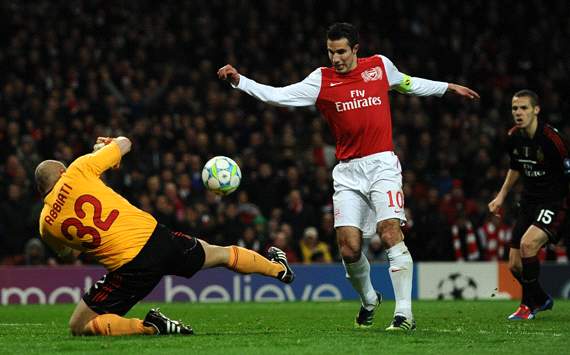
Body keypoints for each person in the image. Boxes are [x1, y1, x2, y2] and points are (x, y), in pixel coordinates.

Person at [218, 22, 479, 331]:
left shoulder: (379, 67)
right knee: (349, 247)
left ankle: (404, 314)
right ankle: (370, 299)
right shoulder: (322, 79)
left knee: (390, 231)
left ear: (356, 49)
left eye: (341, 51)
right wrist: (240, 81)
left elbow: (409, 83)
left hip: (382, 164)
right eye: (330, 52)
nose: (335, 58)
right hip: (347, 172)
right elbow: (278, 96)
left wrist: (447, 87)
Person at [36, 136, 294, 336]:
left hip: (130, 268)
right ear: (62, 173)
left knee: (80, 325)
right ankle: (277, 269)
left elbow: (69, 254)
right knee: (219, 253)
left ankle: (151, 326)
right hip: (158, 238)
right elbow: (125, 143)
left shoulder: (45, 225)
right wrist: (106, 146)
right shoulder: (78, 170)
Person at [488, 90, 568, 320]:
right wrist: (501, 196)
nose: (518, 113)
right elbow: (516, 167)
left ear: (536, 110)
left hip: (554, 202)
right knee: (514, 265)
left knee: (527, 245)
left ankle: (528, 306)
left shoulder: (553, 140)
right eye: (515, 108)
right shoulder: (514, 137)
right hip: (529, 202)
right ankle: (541, 299)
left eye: (523, 108)